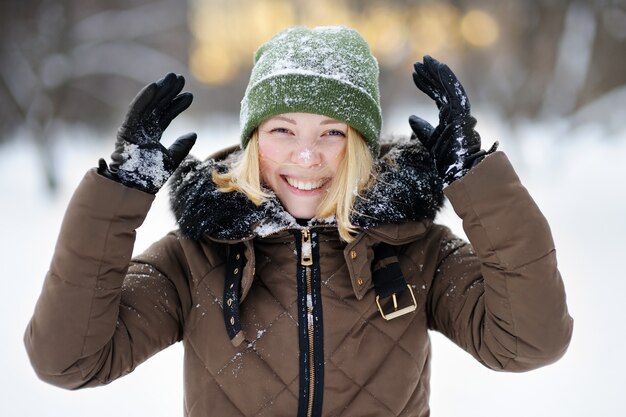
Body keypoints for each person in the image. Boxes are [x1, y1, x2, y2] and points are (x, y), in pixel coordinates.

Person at [24, 26, 573, 417]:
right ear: (253, 142)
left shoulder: (417, 250)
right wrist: (117, 195)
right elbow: (68, 360)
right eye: (282, 130)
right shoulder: (193, 257)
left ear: (360, 145)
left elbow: (530, 341)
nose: (305, 157)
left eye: (332, 132)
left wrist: (475, 179)